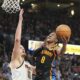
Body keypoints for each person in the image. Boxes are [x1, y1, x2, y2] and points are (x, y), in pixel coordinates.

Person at [3, 9, 35, 80]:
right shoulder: (15, 60)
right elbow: (17, 40)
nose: (23, 49)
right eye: (20, 48)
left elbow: (38, 70)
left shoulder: (27, 64)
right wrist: (20, 20)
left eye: (23, 48)